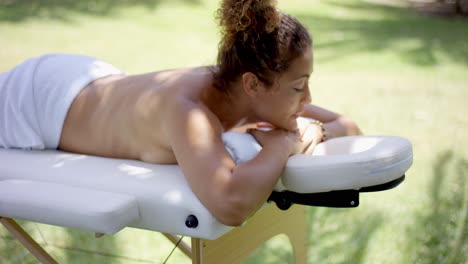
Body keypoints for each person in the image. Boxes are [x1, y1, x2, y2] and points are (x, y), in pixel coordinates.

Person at [0, 0, 362, 226]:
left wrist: (313, 130)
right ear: (253, 84)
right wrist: (282, 146)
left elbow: (347, 125)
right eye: (299, 87)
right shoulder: (190, 113)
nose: (308, 96)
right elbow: (230, 204)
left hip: (88, 79)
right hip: (32, 102)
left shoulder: (244, 91)